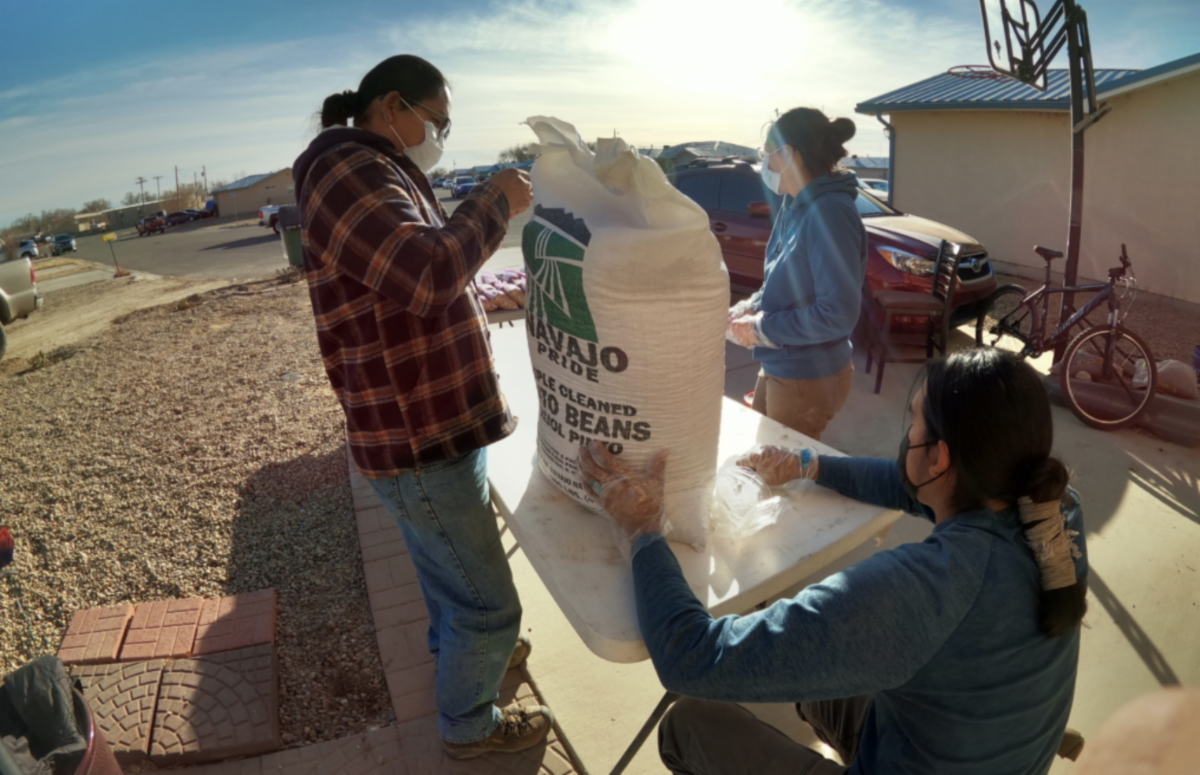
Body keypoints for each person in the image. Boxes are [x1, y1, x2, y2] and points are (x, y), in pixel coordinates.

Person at [579, 347, 1089, 774]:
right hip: (986, 746)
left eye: (912, 422)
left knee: (690, 722)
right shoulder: (1052, 510)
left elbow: (690, 658)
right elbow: (908, 485)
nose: (906, 436)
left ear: (939, 458)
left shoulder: (927, 590)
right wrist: (809, 465)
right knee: (807, 667)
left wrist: (642, 529)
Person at [291, 55, 551, 760]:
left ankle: (463, 647)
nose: (440, 136)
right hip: (419, 435)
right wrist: (494, 200)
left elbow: (420, 274)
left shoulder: (376, 168)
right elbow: (430, 272)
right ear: (392, 107)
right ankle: (469, 720)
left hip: (428, 428)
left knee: (446, 571)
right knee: (488, 602)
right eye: (437, 122)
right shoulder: (348, 171)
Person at [727, 108, 866, 441]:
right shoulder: (795, 205)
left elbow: (836, 315)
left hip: (808, 374)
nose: (764, 163)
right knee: (761, 453)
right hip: (782, 362)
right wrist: (748, 307)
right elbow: (783, 282)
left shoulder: (829, 213)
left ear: (789, 154)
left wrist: (759, 329)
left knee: (781, 467)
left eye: (766, 153)